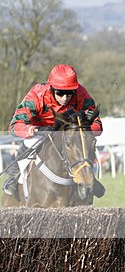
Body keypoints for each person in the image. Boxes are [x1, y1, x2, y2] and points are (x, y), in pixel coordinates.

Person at [4, 64, 103, 200]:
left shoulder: (81, 93)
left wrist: (81, 130)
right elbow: (15, 126)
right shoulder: (37, 95)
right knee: (29, 142)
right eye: (60, 93)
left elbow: (97, 124)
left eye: (69, 93)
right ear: (51, 88)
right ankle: (14, 178)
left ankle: (88, 177)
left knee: (82, 142)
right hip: (41, 132)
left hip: (68, 132)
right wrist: (34, 130)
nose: (65, 98)